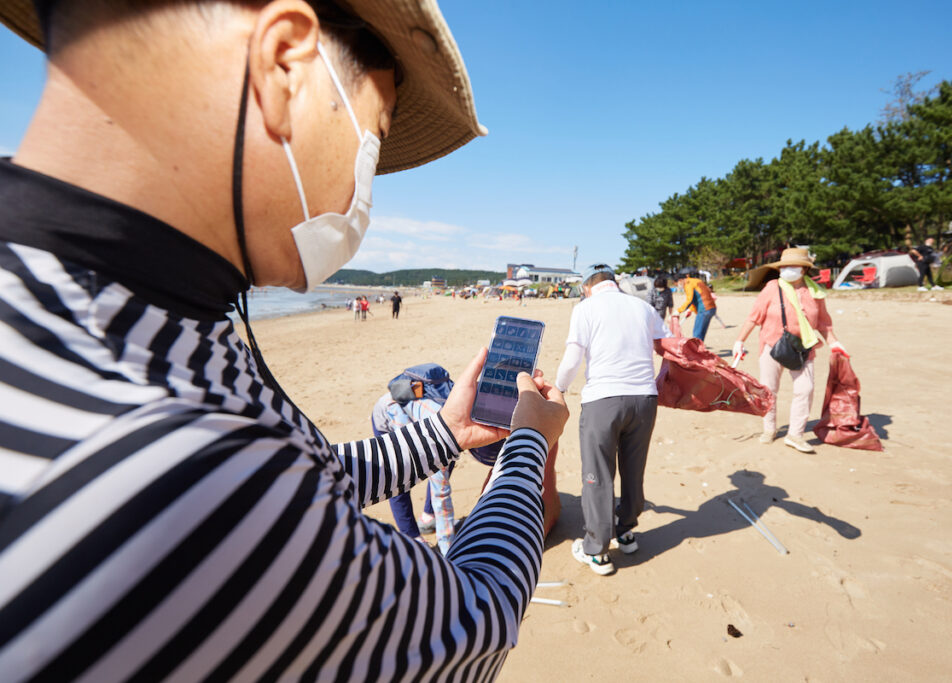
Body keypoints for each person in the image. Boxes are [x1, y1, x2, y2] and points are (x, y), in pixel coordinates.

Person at [0, 1, 570, 681]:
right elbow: (471, 622)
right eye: (375, 136)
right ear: (284, 65)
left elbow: (306, 482)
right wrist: (529, 445)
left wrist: (442, 434)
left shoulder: (149, 319)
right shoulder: (189, 473)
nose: (367, 182)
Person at [555, 264, 671, 575]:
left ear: (586, 287)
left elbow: (572, 358)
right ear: (614, 282)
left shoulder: (586, 308)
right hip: (645, 400)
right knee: (634, 469)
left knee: (598, 475)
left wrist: (559, 388)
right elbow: (667, 346)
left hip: (603, 400)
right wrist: (661, 379)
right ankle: (627, 532)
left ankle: (597, 549)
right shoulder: (641, 306)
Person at [731, 248, 846, 454]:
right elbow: (753, 317)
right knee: (768, 389)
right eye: (783, 266)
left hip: (803, 347)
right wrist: (739, 341)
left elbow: (824, 324)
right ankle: (769, 429)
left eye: (791, 266)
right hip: (772, 345)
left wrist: (835, 343)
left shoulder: (815, 292)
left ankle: (795, 435)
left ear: (803, 269)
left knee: (806, 389)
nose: (785, 270)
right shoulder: (772, 287)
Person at [371, 388, 456, 555]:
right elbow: (441, 492)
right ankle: (411, 538)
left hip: (422, 419)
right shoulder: (426, 428)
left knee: (447, 461)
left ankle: (428, 517)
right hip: (388, 418)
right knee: (398, 478)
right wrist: (448, 550)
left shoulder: (452, 414)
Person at [676, 270, 717, 341]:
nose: (678, 285)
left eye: (676, 283)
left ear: (680, 280)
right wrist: (690, 309)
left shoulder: (688, 284)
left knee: (697, 333)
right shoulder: (696, 281)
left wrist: (678, 311)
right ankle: (700, 349)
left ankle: (697, 350)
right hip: (711, 308)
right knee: (701, 332)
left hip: (704, 309)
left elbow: (689, 300)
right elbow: (696, 297)